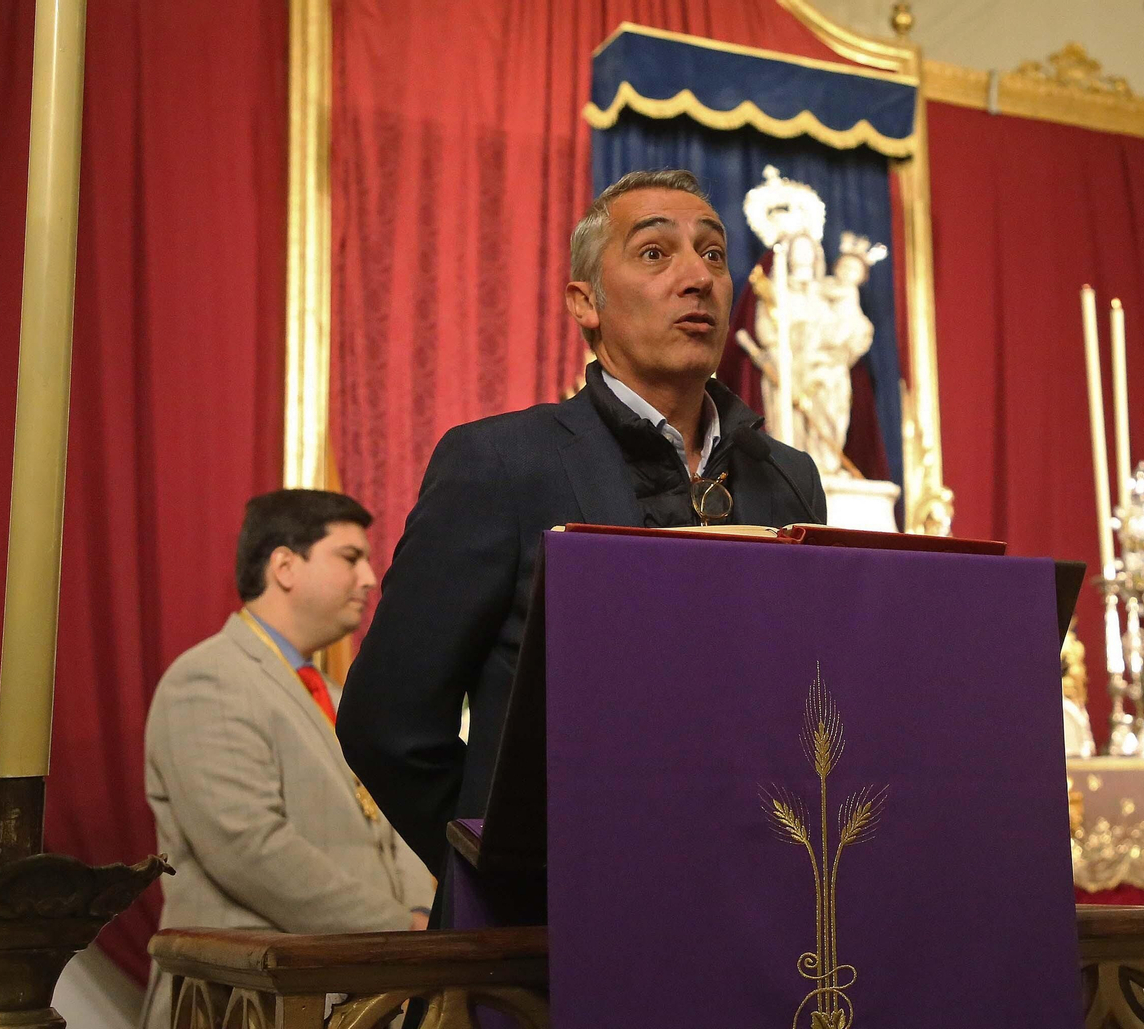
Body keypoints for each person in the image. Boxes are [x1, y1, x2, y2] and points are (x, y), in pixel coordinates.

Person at [338, 170, 826, 889]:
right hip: (548, 929)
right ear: (585, 301)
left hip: (753, 907)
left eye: (714, 254)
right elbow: (387, 723)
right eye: (656, 253)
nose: (697, 276)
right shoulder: (499, 463)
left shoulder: (789, 478)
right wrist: (496, 865)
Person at [141, 490, 432, 1028]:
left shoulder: (336, 695)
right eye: (350, 557)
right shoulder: (209, 679)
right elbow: (249, 847)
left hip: (357, 992)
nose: (370, 578)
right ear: (284, 565)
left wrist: (424, 918)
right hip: (247, 1003)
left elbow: (396, 822)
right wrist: (397, 929)